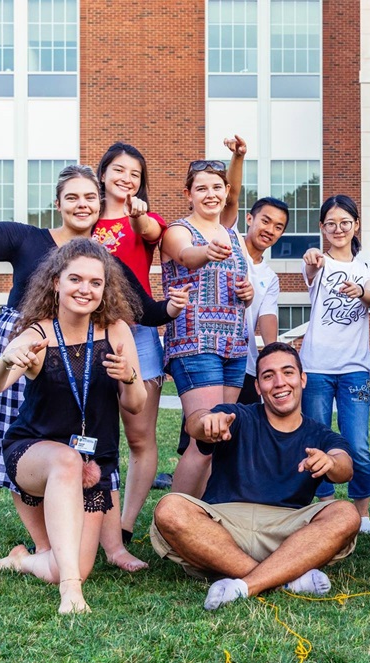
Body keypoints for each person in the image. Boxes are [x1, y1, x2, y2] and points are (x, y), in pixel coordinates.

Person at [0, 165, 181, 572]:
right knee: (29, 436)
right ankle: (45, 544)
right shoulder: (28, 239)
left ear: (101, 204)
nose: (81, 204)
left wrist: (175, 307)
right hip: (28, 344)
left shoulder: (99, 264)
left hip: (81, 349)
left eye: (90, 197)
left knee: (90, 438)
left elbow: (143, 307)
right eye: (72, 197)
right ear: (57, 204)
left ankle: (105, 546)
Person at [0, 238, 147, 614]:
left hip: (91, 468)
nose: (85, 289)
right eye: (76, 279)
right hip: (34, 458)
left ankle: (23, 560)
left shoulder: (116, 331)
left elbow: (136, 406)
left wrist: (131, 379)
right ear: (56, 282)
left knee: (69, 565)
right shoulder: (38, 334)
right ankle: (71, 593)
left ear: (105, 288)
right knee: (67, 460)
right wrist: (7, 361)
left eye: (95, 282)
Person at [150, 342, 361, 611]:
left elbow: (345, 468)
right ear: (258, 386)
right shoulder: (238, 416)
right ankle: (284, 577)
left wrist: (330, 461)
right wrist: (206, 421)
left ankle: (243, 585)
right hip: (223, 531)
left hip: (287, 533)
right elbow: (197, 423)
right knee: (169, 509)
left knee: (346, 513)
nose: (279, 383)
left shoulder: (321, 434)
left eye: (288, 372)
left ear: (302, 379)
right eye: (268, 376)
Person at [92, 141, 172, 563]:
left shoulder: (146, 218)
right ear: (102, 173)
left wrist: (139, 214)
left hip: (138, 335)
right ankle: (86, 519)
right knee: (86, 432)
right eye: (118, 171)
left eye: (135, 174)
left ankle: (124, 524)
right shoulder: (84, 217)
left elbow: (152, 234)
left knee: (140, 437)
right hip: (85, 337)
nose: (126, 179)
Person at [161, 148, 253, 498]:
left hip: (233, 344)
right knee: (204, 436)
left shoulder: (232, 234)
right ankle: (173, 522)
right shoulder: (178, 232)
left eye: (217, 187)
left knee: (221, 437)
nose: (211, 194)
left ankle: (198, 515)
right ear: (188, 194)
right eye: (201, 188)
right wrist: (207, 253)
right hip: (195, 344)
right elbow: (186, 255)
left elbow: (245, 290)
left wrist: (247, 293)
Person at [300, 195, 370, 534]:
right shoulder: (317, 262)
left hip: (354, 368)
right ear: (322, 227)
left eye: (345, 223)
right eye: (331, 223)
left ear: (356, 225)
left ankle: (361, 513)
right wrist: (311, 261)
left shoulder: (367, 265)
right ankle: (325, 506)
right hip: (316, 366)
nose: (338, 229)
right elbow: (309, 270)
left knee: (356, 443)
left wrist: (359, 288)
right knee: (317, 441)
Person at [237, 196, 289, 404]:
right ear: (249, 218)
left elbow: (267, 318)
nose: (270, 230)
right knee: (202, 429)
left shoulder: (270, 277)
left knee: (245, 432)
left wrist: (275, 355)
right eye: (265, 221)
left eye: (278, 227)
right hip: (213, 358)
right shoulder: (230, 250)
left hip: (246, 365)